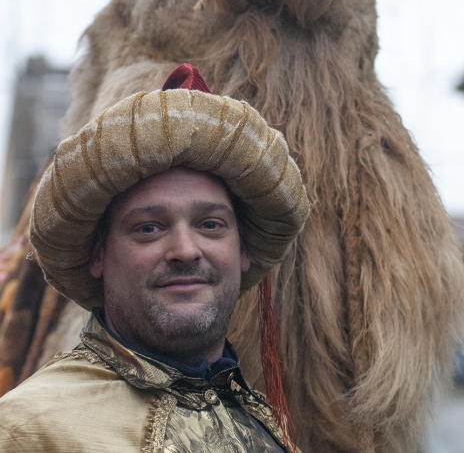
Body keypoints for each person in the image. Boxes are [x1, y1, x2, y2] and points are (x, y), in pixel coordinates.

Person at [0, 64, 310, 453]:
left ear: (243, 249)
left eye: (211, 225)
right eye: (149, 228)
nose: (185, 250)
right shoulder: (25, 429)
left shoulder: (266, 430)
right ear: (98, 254)